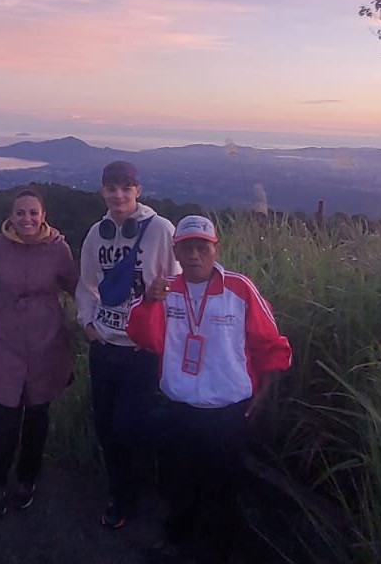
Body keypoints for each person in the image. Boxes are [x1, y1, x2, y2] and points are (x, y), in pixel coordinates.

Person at [127, 215, 293, 561]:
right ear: (177, 252)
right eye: (186, 248)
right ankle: (176, 539)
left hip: (227, 410)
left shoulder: (240, 288)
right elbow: (146, 340)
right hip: (180, 407)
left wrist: (263, 393)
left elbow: (270, 343)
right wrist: (149, 303)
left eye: (202, 248)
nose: (194, 256)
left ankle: (219, 551)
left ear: (215, 250)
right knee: (178, 480)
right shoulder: (165, 290)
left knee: (224, 485)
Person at [76, 161, 180, 529]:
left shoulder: (160, 230)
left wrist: (161, 291)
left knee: (129, 425)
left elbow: (180, 282)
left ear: (138, 190)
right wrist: (88, 325)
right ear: (102, 191)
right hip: (104, 347)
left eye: (126, 187)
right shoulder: (96, 234)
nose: (118, 195)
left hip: (141, 350)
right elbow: (86, 283)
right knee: (106, 427)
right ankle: (121, 495)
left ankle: (153, 484)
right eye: (111, 188)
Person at [0, 187, 79, 516]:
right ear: (11, 215)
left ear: (43, 215)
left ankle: (27, 479)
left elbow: (77, 288)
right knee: (6, 419)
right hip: (7, 340)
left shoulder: (58, 248)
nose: (27, 219)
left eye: (33, 212)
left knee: (37, 417)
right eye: (20, 212)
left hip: (47, 341)